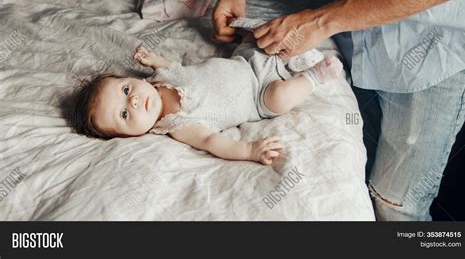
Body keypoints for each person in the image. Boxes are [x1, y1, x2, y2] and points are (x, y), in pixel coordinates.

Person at [212, 0, 465, 220]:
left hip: (430, 57)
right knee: (348, 183)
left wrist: (321, 22)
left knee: (394, 208)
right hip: (352, 41)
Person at [72, 40, 343, 165]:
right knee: (282, 97)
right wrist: (247, 150)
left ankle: (289, 54)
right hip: (260, 95)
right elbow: (211, 142)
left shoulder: (160, 78)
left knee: (258, 35)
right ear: (129, 136)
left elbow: (173, 66)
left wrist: (155, 60)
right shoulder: (176, 125)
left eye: (126, 89)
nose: (132, 100)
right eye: (122, 114)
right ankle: (314, 77)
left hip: (247, 61)